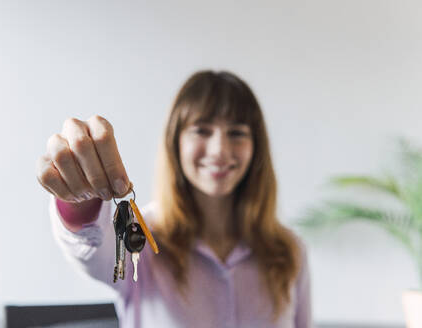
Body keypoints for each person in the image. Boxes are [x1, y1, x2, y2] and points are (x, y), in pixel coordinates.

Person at [36, 70, 312, 328]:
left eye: (237, 133)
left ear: (256, 148)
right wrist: (81, 199)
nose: (219, 150)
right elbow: (92, 249)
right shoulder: (141, 239)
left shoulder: (289, 251)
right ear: (175, 142)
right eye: (201, 130)